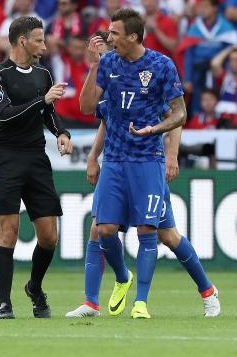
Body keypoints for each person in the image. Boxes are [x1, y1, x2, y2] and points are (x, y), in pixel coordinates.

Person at [79, 8, 188, 320]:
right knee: (103, 229)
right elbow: (88, 108)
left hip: (147, 160)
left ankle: (143, 302)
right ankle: (119, 279)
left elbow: (179, 114)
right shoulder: (108, 63)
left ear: (133, 36)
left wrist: (160, 137)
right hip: (114, 159)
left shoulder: (160, 65)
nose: (107, 37)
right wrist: (93, 67)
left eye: (113, 33)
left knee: (154, 231)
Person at [67, 102, 219, 318]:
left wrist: (172, 155)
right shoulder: (111, 78)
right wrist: (93, 156)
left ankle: (208, 291)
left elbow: (176, 118)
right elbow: (105, 121)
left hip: (147, 168)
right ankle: (92, 301)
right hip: (116, 167)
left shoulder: (150, 77)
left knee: (168, 236)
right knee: (99, 229)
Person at [0, 15, 73, 320]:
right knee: (8, 230)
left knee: (49, 236)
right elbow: (4, 114)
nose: (44, 46)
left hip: (36, 157)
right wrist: (41, 100)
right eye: (39, 39)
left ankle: (34, 287)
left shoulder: (43, 75)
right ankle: (4, 302)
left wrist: (61, 132)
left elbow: (47, 113)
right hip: (7, 157)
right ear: (22, 40)